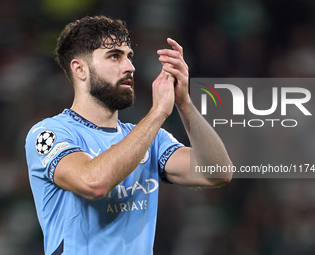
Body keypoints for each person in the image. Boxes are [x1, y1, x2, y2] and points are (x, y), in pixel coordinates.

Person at [25, 15, 232, 255]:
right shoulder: (49, 133)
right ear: (80, 69)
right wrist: (157, 113)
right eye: (114, 56)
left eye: (129, 56)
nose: (130, 67)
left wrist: (184, 104)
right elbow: (94, 183)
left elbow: (218, 172)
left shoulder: (149, 138)